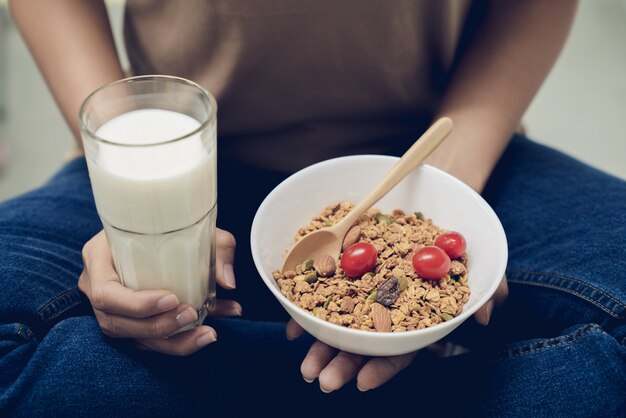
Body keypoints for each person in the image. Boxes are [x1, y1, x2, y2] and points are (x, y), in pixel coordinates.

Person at [1, 0, 624, 416]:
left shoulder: (436, 186)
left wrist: (441, 192)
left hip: (444, 146)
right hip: (178, 154)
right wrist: (129, 188)